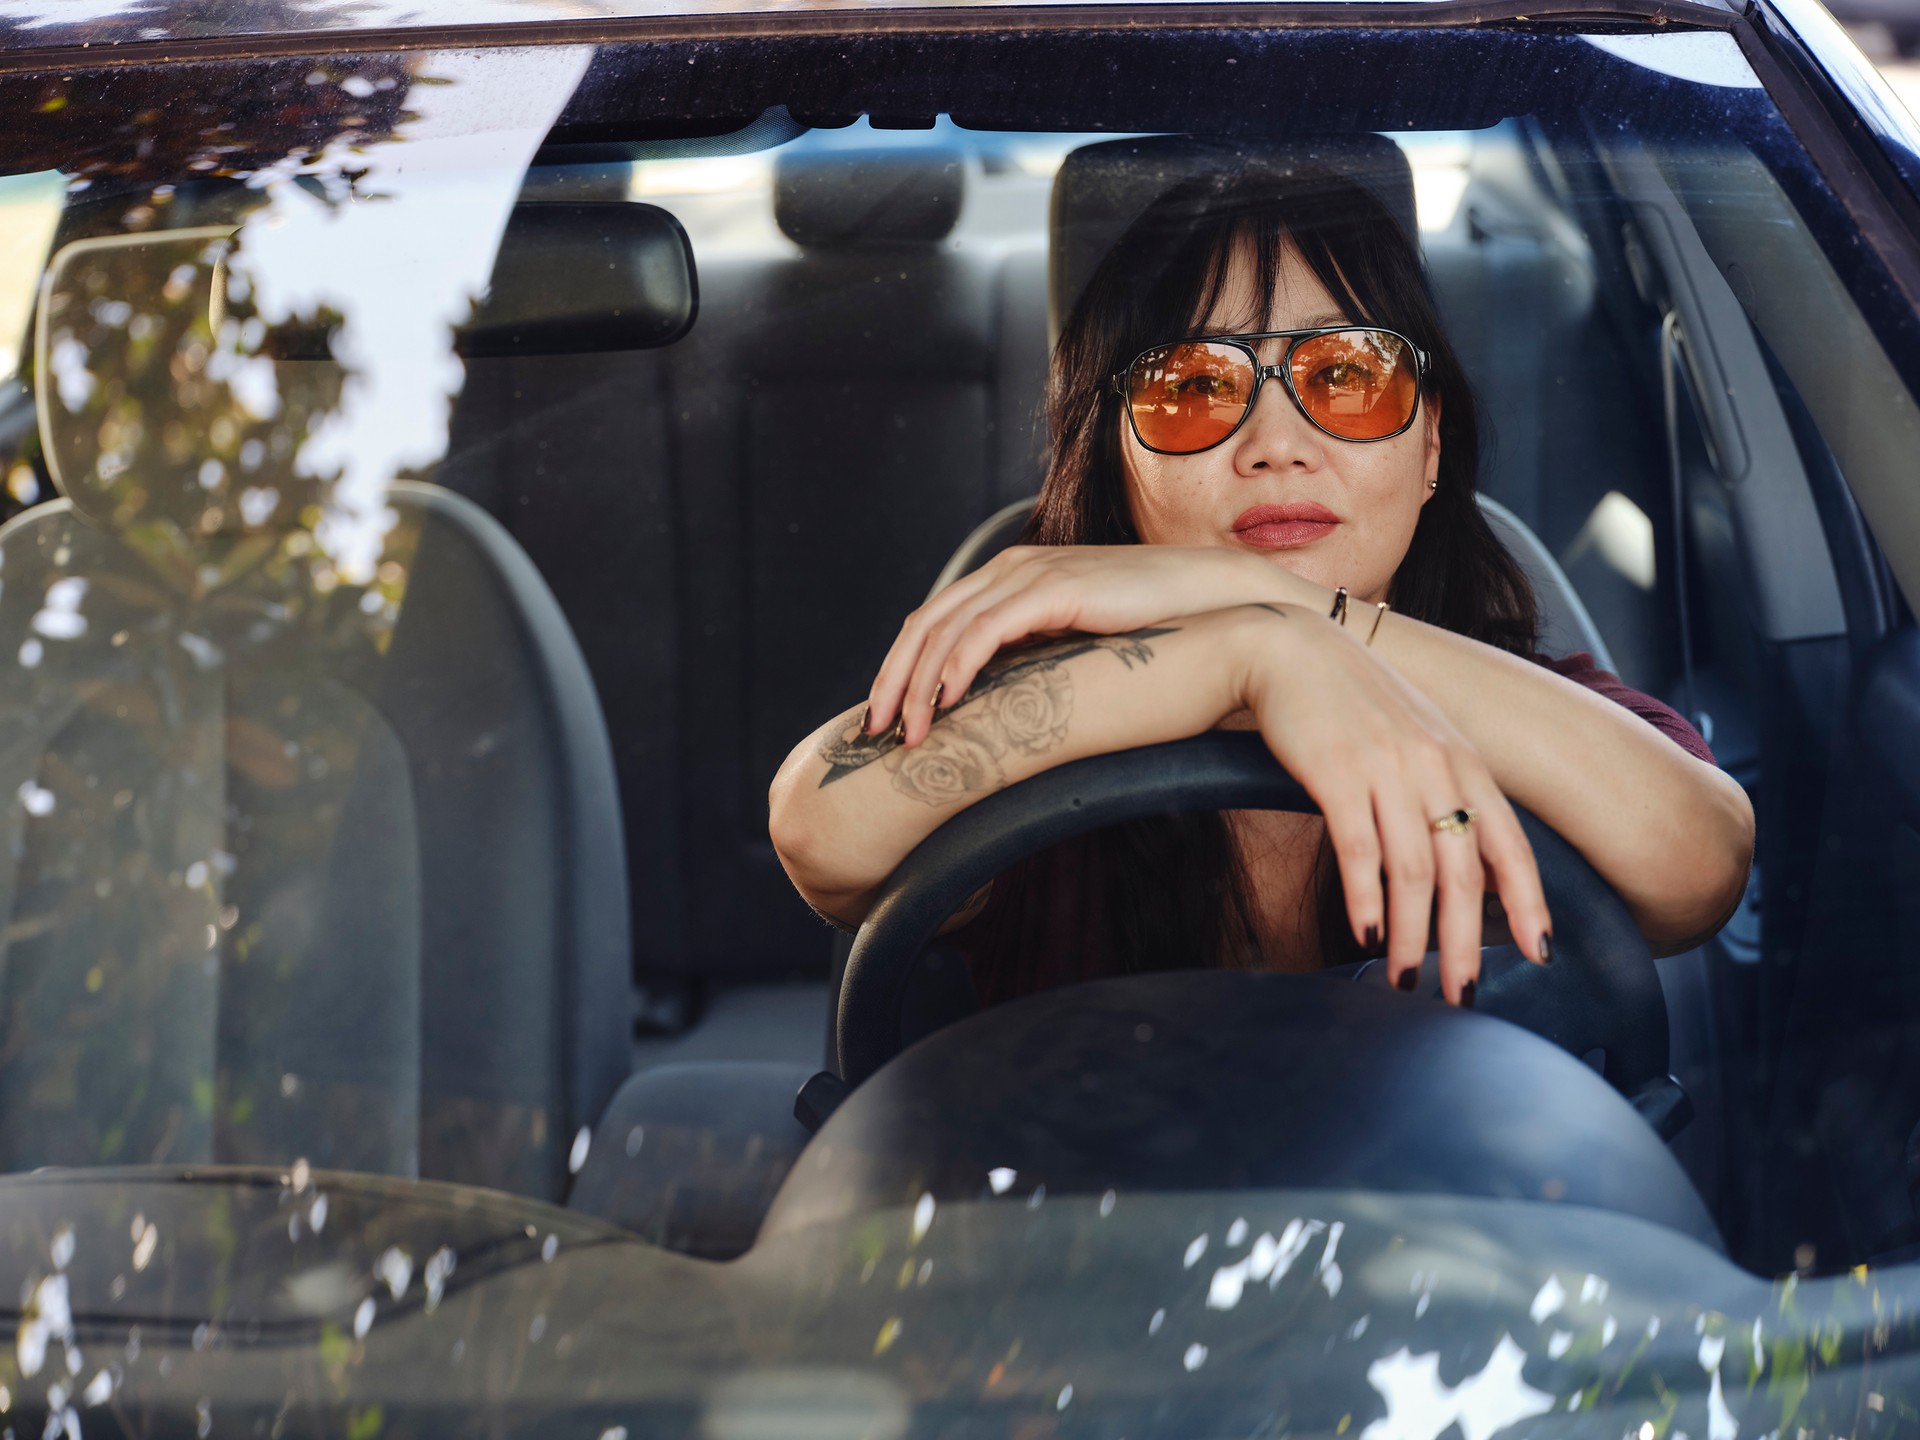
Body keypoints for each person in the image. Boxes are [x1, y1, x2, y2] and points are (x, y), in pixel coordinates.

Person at [767, 161, 1754, 1009]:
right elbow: (821, 829)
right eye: (1194, 388)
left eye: (1349, 376)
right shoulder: (1051, 720)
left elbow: (1701, 866)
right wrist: (1249, 654)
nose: (1275, 447)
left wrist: (1300, 620)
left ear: (1432, 443)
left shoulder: (1519, 704)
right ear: (1112, 460)